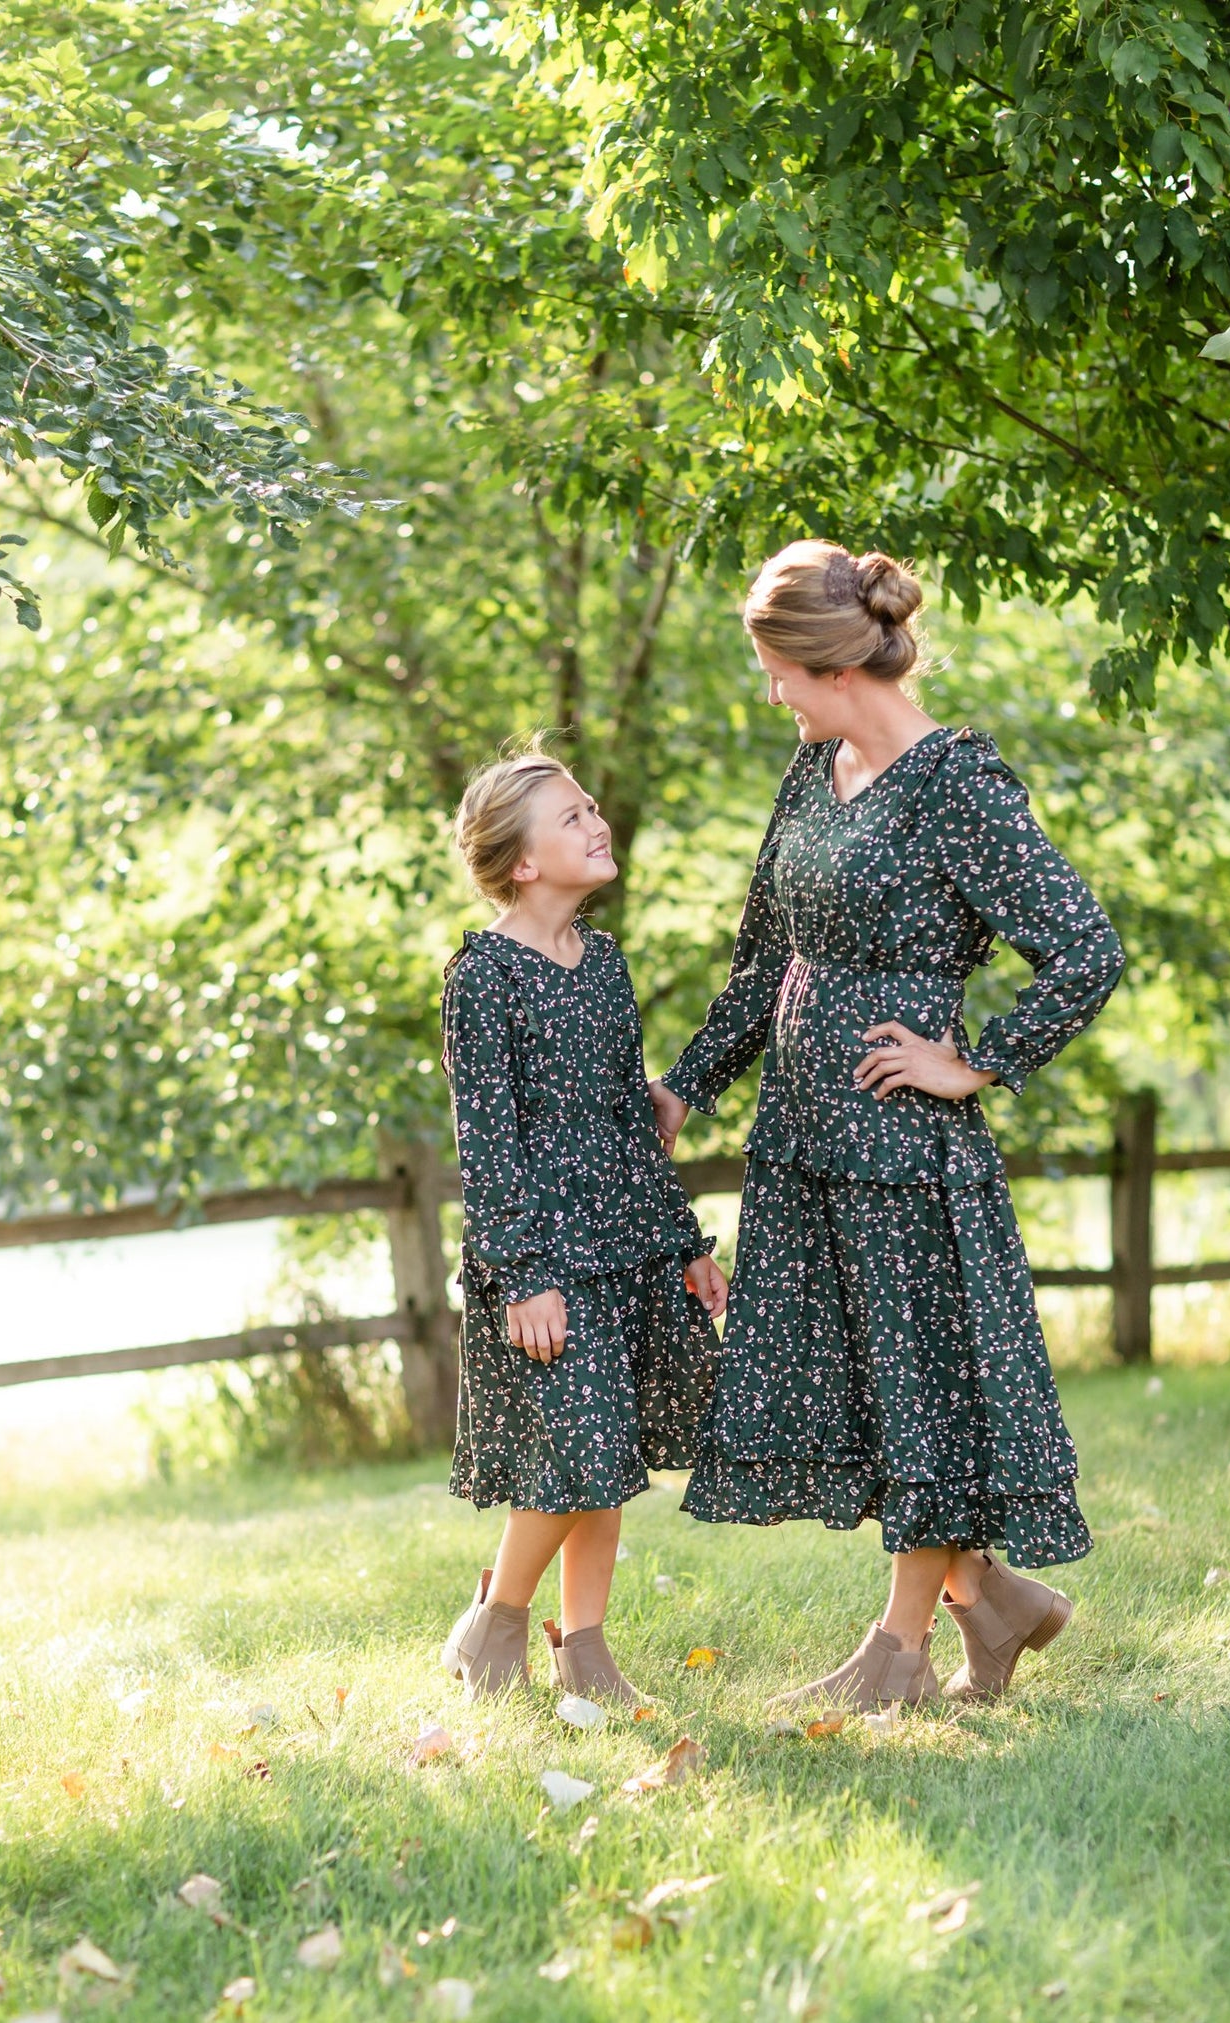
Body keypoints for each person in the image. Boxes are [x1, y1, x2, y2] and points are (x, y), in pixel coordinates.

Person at [649, 542, 1125, 1711]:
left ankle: (897, 1652)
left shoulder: (956, 783)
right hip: (802, 1145)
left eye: (774, 671)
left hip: (901, 1152)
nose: (770, 694)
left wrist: (973, 1064)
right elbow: (768, 957)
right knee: (862, 1394)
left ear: (826, 664)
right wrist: (686, 1084)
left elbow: (1084, 947)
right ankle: (997, 1609)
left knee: (917, 1394)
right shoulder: (813, 771)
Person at [440, 745, 728, 1706]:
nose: (596, 822)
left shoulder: (602, 964)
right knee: (572, 1451)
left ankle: (588, 1651)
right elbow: (486, 1140)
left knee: (608, 1458)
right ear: (521, 862)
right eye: (571, 817)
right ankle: (495, 1627)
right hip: (543, 1254)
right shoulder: (482, 978)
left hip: (624, 1244)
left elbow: (625, 1116)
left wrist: (682, 1240)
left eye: (592, 806)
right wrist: (522, 1272)